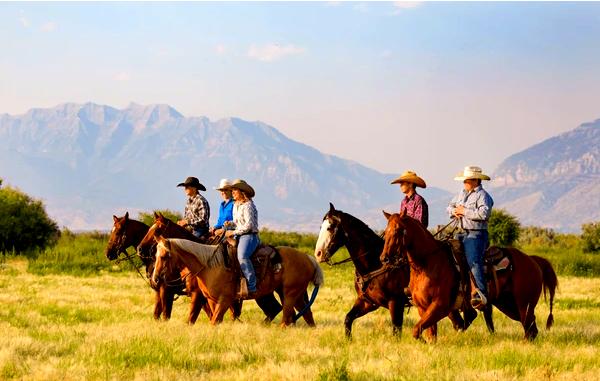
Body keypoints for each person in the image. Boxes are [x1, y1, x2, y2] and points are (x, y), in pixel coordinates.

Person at [446, 166, 494, 309]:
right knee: (448, 259)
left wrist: (464, 211)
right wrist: (454, 211)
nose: (464, 182)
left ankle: (480, 294)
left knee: (473, 261)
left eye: (466, 179)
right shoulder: (461, 193)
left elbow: (484, 214)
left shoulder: (483, 196)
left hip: (476, 234)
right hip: (459, 232)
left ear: (475, 180)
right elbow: (449, 207)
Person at [225, 179, 260, 297]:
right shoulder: (236, 205)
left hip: (249, 236)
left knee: (242, 256)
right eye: (233, 190)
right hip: (238, 235)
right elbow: (238, 223)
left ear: (242, 192)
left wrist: (233, 231)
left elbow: (249, 225)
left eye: (235, 190)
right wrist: (229, 224)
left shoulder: (248, 205)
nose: (233, 192)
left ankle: (251, 286)